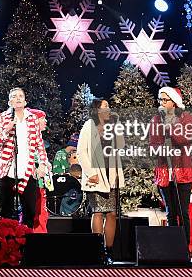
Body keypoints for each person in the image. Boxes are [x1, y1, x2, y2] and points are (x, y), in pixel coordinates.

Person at [0, 87, 51, 229]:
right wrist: (6, 130)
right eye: (14, 96)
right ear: (10, 101)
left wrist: (42, 164)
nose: (17, 98)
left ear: (25, 101)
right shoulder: (1, 118)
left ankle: (27, 244)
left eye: (20, 96)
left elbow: (39, 144)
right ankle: (8, 247)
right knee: (6, 211)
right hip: (7, 170)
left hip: (27, 169)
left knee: (30, 210)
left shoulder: (33, 119)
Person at [77, 98, 124, 265]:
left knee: (112, 214)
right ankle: (98, 250)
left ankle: (109, 251)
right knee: (98, 212)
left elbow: (121, 146)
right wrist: (90, 173)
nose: (109, 108)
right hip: (95, 176)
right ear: (97, 109)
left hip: (111, 175)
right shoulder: (88, 126)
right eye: (105, 106)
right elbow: (81, 152)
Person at [148, 87, 192, 248]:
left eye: (165, 100)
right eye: (160, 99)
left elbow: (184, 139)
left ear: (174, 102)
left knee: (183, 213)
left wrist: (170, 125)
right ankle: (172, 248)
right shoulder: (156, 120)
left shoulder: (187, 118)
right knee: (170, 213)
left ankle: (185, 248)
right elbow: (152, 146)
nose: (161, 103)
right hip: (164, 172)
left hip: (182, 172)